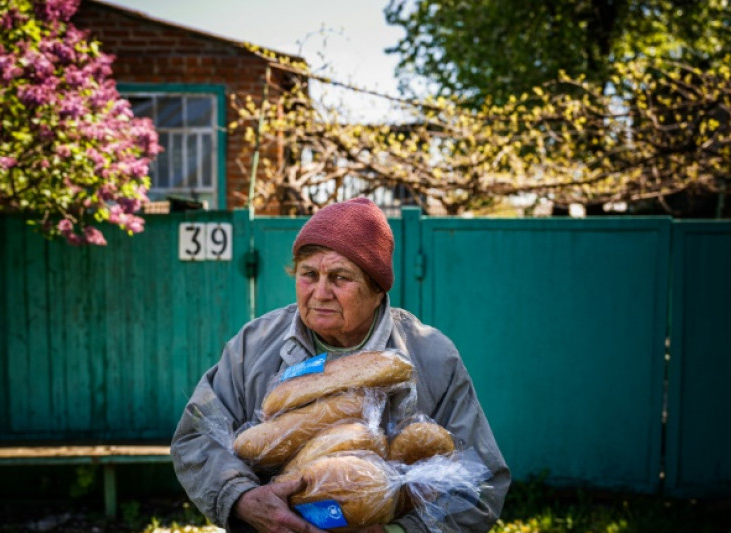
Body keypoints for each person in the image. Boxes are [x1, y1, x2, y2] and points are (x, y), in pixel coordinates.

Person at [171, 198, 510, 533]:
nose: (320, 292)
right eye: (308, 274)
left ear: (377, 290)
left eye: (339, 278)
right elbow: (195, 439)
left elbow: (482, 483)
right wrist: (242, 497)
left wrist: (400, 531)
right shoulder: (254, 344)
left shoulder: (432, 356)